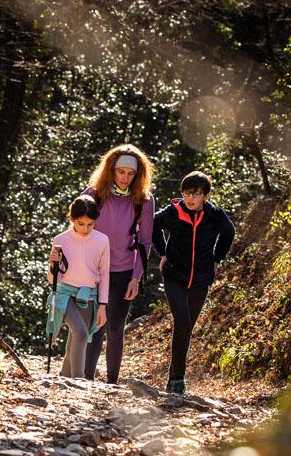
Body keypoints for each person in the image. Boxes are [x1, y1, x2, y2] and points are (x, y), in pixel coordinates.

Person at [152, 171, 236, 395]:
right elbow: (152, 225)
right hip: (174, 276)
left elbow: (229, 232)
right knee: (182, 322)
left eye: (196, 194)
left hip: (201, 279)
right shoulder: (173, 212)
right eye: (186, 193)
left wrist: (217, 258)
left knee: (187, 327)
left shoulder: (214, 215)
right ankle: (177, 380)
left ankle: (174, 378)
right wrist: (163, 252)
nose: (190, 199)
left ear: (205, 196)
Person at [81, 144, 156, 384]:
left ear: (138, 175)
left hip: (124, 271)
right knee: (94, 325)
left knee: (115, 328)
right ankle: (86, 377)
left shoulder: (143, 201)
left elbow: (145, 242)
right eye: (120, 172)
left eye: (130, 174)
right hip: (94, 270)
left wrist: (136, 277)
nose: (125, 178)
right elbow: (77, 228)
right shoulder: (94, 194)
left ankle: (111, 381)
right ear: (111, 170)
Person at [47, 195, 110, 379]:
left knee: (75, 338)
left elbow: (104, 273)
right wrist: (52, 264)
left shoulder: (102, 240)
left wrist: (103, 305)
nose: (85, 229)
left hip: (88, 294)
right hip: (64, 294)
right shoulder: (61, 239)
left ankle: (65, 376)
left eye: (90, 224)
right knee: (81, 333)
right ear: (72, 219)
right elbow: (53, 279)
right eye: (80, 223)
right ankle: (78, 380)